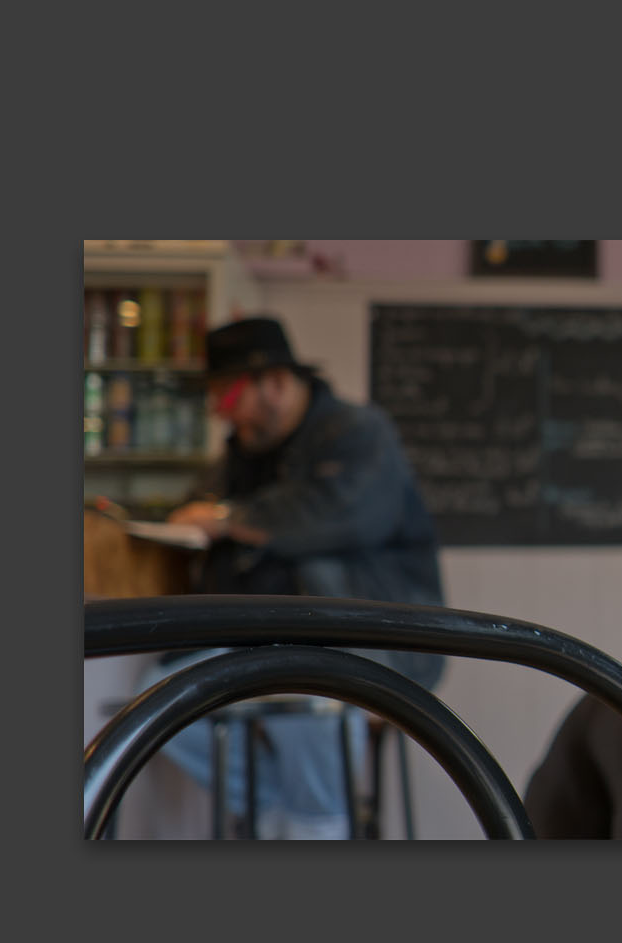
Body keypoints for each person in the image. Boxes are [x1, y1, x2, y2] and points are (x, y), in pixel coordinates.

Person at [142, 316, 446, 839]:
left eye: (228, 395)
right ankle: (276, 811)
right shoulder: (244, 453)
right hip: (263, 642)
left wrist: (227, 519)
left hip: (367, 642)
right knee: (160, 699)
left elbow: (335, 516)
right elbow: (199, 503)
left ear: (275, 384)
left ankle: (318, 823)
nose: (221, 411)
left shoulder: (358, 433)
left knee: (304, 686)